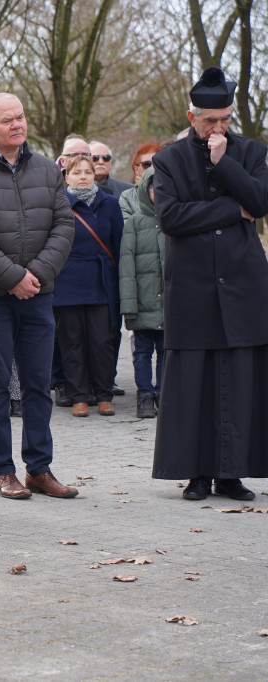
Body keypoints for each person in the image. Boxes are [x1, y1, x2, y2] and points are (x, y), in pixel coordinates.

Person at [0, 92, 78, 500]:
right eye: (7, 120)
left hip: (38, 294)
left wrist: (35, 276)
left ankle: (39, 469)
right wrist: (12, 278)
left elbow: (64, 227)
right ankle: (3, 471)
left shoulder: (48, 170)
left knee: (39, 384)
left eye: (20, 117)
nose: (17, 125)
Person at [151, 66, 268, 501]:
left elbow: (259, 202)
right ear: (191, 116)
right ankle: (197, 473)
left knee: (239, 381)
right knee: (193, 384)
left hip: (243, 285)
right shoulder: (168, 159)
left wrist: (224, 165)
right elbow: (171, 219)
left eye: (225, 120)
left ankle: (231, 474)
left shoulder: (252, 153)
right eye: (209, 121)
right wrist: (231, 210)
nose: (218, 128)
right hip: (192, 288)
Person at [52, 154, 123, 418]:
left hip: (101, 281)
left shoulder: (110, 205)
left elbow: (118, 246)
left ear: (95, 176)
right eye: (77, 172)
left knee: (102, 341)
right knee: (71, 342)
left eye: (88, 172)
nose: (83, 176)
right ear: (66, 176)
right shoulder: (58, 206)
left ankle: (104, 396)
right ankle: (78, 397)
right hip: (67, 281)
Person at [118, 167, 164, 419]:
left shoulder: (176, 219)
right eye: (154, 187)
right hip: (144, 301)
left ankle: (164, 393)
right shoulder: (134, 223)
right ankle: (145, 395)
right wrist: (129, 304)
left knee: (167, 352)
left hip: (169, 303)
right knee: (142, 353)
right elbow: (126, 267)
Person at [119, 142, 161, 220]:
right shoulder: (127, 197)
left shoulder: (171, 192)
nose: (152, 168)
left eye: (156, 163)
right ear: (137, 170)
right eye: (147, 164)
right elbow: (126, 226)